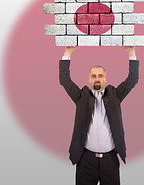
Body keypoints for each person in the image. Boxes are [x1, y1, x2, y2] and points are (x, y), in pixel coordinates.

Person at [59, 45, 139, 185]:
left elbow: (132, 80)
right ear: (89, 79)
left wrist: (131, 52)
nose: (97, 79)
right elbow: (65, 80)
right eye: (94, 76)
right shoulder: (81, 96)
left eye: (100, 76)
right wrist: (68, 51)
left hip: (110, 161)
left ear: (105, 79)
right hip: (85, 160)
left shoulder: (115, 95)